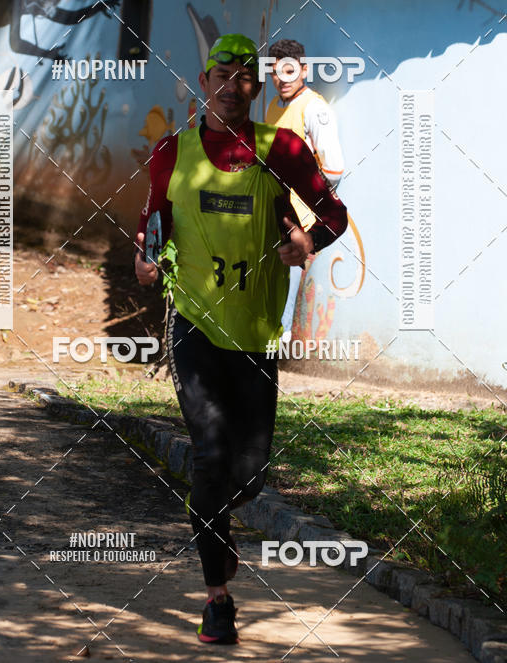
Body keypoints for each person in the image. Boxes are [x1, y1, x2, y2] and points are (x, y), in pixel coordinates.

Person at [134, 33, 348, 644]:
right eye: (220, 77)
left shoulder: (279, 147)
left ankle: (216, 529)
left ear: (255, 88)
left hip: (254, 335)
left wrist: (309, 241)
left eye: (243, 78)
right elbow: (153, 226)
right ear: (204, 84)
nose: (232, 87)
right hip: (194, 325)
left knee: (249, 472)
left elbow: (333, 213)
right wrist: (147, 262)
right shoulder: (172, 152)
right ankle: (217, 599)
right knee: (208, 454)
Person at [265, 39, 345, 341]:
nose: (281, 79)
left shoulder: (313, 109)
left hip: (296, 220)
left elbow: (334, 168)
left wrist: (309, 207)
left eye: (289, 70)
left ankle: (277, 346)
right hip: (271, 209)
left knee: (284, 286)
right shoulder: (275, 107)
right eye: (275, 72)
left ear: (304, 69)